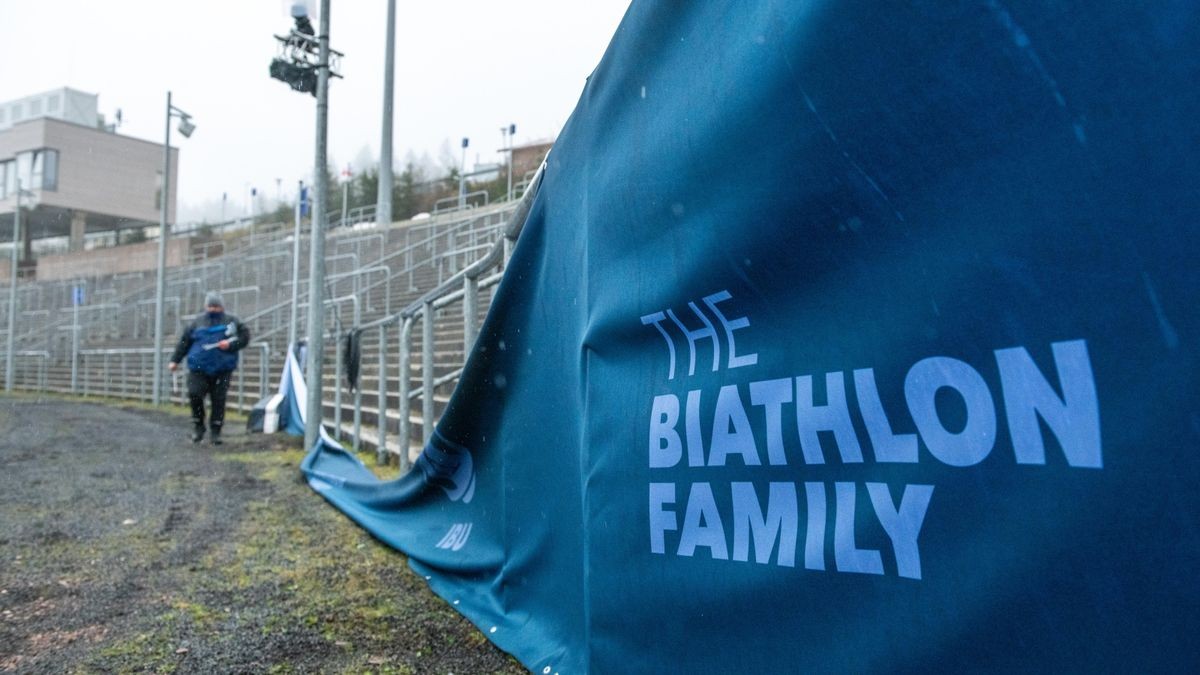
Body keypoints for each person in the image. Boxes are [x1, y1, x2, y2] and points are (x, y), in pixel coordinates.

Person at [168, 292, 251, 445]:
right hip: (198, 367)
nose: (213, 309)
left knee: (218, 400)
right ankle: (199, 427)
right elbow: (184, 343)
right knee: (195, 395)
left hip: (222, 368)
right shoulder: (197, 322)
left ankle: (215, 432)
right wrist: (175, 360)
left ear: (222, 306)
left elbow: (244, 338)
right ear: (206, 306)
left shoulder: (232, 321)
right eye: (211, 306)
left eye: (216, 306)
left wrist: (231, 345)